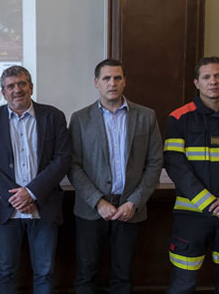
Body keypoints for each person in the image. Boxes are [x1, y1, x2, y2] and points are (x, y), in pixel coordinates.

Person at [68, 58, 163, 294]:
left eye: (117, 78)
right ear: (96, 83)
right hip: (91, 210)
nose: (112, 83)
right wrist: (98, 202)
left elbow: (154, 164)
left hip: (130, 209)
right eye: (106, 78)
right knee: (85, 273)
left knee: (123, 275)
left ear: (124, 82)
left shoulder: (146, 116)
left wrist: (135, 202)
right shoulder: (80, 119)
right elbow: (73, 166)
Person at [0, 65, 70, 294]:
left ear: (31, 87)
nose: (16, 90)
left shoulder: (53, 116)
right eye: (10, 86)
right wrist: (16, 197)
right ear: (3, 92)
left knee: (45, 272)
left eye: (21, 84)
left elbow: (62, 158)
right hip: (6, 210)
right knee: (6, 271)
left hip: (44, 207)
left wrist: (31, 192)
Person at [164, 56, 219, 294]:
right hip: (190, 216)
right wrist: (209, 202)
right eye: (206, 77)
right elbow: (175, 166)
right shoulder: (178, 118)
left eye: (218, 76)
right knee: (183, 284)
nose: (212, 81)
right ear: (196, 83)